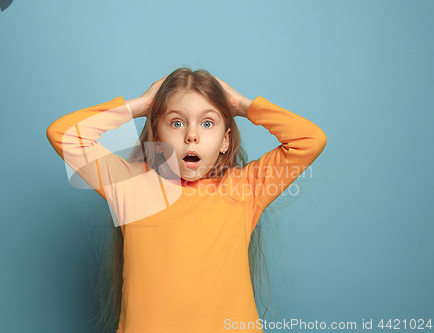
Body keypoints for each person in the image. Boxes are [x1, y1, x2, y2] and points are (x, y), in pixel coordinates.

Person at [46, 68, 327, 332]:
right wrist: (142, 105)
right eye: (177, 122)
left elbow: (310, 139)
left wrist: (242, 105)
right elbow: (65, 135)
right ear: (157, 134)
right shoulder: (131, 185)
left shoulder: (245, 188)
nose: (191, 135)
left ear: (225, 141)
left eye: (207, 123)